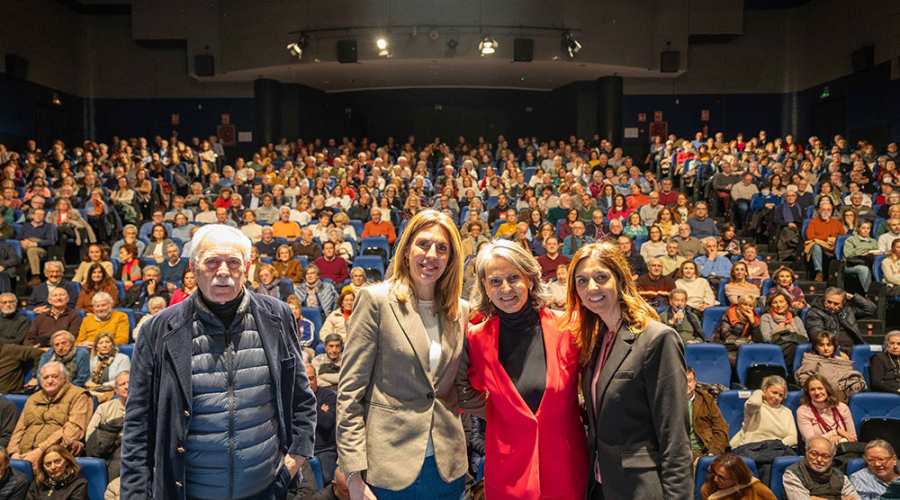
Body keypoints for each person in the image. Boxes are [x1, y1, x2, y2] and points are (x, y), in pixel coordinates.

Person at [121, 224, 317, 499]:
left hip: (266, 490)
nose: (223, 271)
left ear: (247, 268)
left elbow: (302, 398)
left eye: (233, 262)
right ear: (194, 267)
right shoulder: (157, 330)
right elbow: (137, 427)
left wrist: (295, 459)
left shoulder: (278, 316)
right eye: (212, 261)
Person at [337, 210, 476, 500]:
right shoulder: (375, 300)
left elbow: (460, 387)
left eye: (442, 248)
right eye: (423, 244)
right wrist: (352, 476)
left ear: (451, 258)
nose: (431, 255)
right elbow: (350, 393)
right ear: (407, 248)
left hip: (446, 467)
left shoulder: (459, 311)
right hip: (388, 468)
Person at [562, 242, 693, 500]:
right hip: (601, 484)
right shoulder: (596, 341)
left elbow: (674, 435)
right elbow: (604, 410)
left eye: (601, 277)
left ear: (620, 281)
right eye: (582, 280)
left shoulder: (657, 339)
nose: (591, 287)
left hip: (642, 488)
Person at [463, 239, 587, 499]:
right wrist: (500, 414)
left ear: (530, 279)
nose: (505, 288)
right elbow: (461, 392)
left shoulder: (569, 328)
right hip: (507, 474)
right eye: (495, 281)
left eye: (513, 277)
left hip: (565, 469)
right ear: (484, 286)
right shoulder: (474, 339)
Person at [8, 362, 92, 468]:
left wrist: (40, 450)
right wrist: (13, 453)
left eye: (55, 376)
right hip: (23, 456)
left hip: (55, 455)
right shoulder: (33, 398)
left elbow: (73, 430)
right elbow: (19, 429)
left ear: (65, 378)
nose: (50, 381)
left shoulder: (79, 395)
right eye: (45, 377)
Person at [729, 375, 798, 449]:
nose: (777, 397)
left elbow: (793, 438)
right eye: (774, 392)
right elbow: (754, 403)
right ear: (765, 390)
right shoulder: (756, 406)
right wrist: (759, 392)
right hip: (751, 448)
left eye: (781, 395)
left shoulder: (787, 412)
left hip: (775, 450)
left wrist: (774, 446)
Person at [782, 437, 861, 500]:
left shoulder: (840, 476)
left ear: (832, 457)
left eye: (825, 456)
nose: (819, 459)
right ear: (806, 451)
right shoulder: (793, 474)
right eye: (814, 454)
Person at [795, 332, 867, 400]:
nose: (826, 348)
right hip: (822, 395)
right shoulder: (811, 360)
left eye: (829, 345)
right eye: (821, 345)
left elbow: (852, 377)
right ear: (816, 347)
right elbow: (805, 380)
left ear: (834, 347)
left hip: (845, 392)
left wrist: (845, 385)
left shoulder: (841, 361)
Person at [85, 371, 128, 482]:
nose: (127, 387)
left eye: (130, 383)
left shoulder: (148, 407)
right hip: (107, 453)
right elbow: (89, 436)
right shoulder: (104, 408)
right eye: (122, 384)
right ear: (116, 389)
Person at [806, 287, 876, 354]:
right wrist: (837, 352)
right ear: (824, 299)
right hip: (832, 349)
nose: (831, 306)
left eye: (836, 304)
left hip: (854, 348)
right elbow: (818, 337)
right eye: (829, 302)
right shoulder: (814, 312)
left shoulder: (847, 309)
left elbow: (870, 309)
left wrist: (852, 297)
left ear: (843, 303)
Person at [796, 374, 857, 444]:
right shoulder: (803, 411)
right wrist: (836, 432)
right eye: (812, 389)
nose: (817, 392)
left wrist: (839, 437)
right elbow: (812, 442)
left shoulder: (842, 407)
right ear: (808, 393)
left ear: (827, 389)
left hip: (845, 450)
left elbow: (853, 437)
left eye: (820, 388)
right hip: (819, 452)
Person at [686, 367, 729, 465]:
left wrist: (712, 454)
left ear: (695, 382)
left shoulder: (707, 400)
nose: (686, 385)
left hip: (705, 449)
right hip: (680, 452)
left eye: (689, 381)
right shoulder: (669, 402)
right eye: (682, 381)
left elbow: (721, 429)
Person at [306, 365, 338, 485]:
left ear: (316, 379)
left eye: (311, 378)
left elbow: (327, 422)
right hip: (302, 450)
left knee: (326, 479)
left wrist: (309, 402)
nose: (309, 383)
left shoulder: (328, 395)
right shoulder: (294, 397)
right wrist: (319, 408)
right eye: (305, 379)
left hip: (325, 449)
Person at [700, 453, 777, 500]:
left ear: (736, 478)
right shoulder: (708, 488)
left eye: (721, 477)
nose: (715, 479)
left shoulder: (758, 489)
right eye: (714, 473)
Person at [711, 295, 762, 366]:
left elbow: (758, 340)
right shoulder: (729, 315)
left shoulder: (754, 318)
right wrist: (748, 341)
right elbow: (726, 335)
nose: (747, 308)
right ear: (739, 304)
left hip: (743, 348)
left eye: (750, 306)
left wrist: (752, 322)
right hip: (725, 346)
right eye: (745, 304)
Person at [805, 200, 845, 282]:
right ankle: (819, 272)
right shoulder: (813, 222)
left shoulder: (837, 223)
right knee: (815, 246)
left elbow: (843, 236)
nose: (826, 212)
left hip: (833, 246)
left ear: (831, 211)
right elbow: (810, 236)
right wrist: (827, 238)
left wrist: (836, 239)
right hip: (820, 245)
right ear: (819, 210)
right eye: (823, 210)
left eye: (828, 210)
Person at [843, 220, 882, 293]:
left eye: (868, 228)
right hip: (852, 264)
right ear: (858, 229)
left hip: (868, 262)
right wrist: (863, 254)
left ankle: (884, 291)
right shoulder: (851, 240)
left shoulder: (873, 241)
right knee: (863, 269)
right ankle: (869, 293)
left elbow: (876, 252)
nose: (866, 230)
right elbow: (848, 255)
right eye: (863, 228)